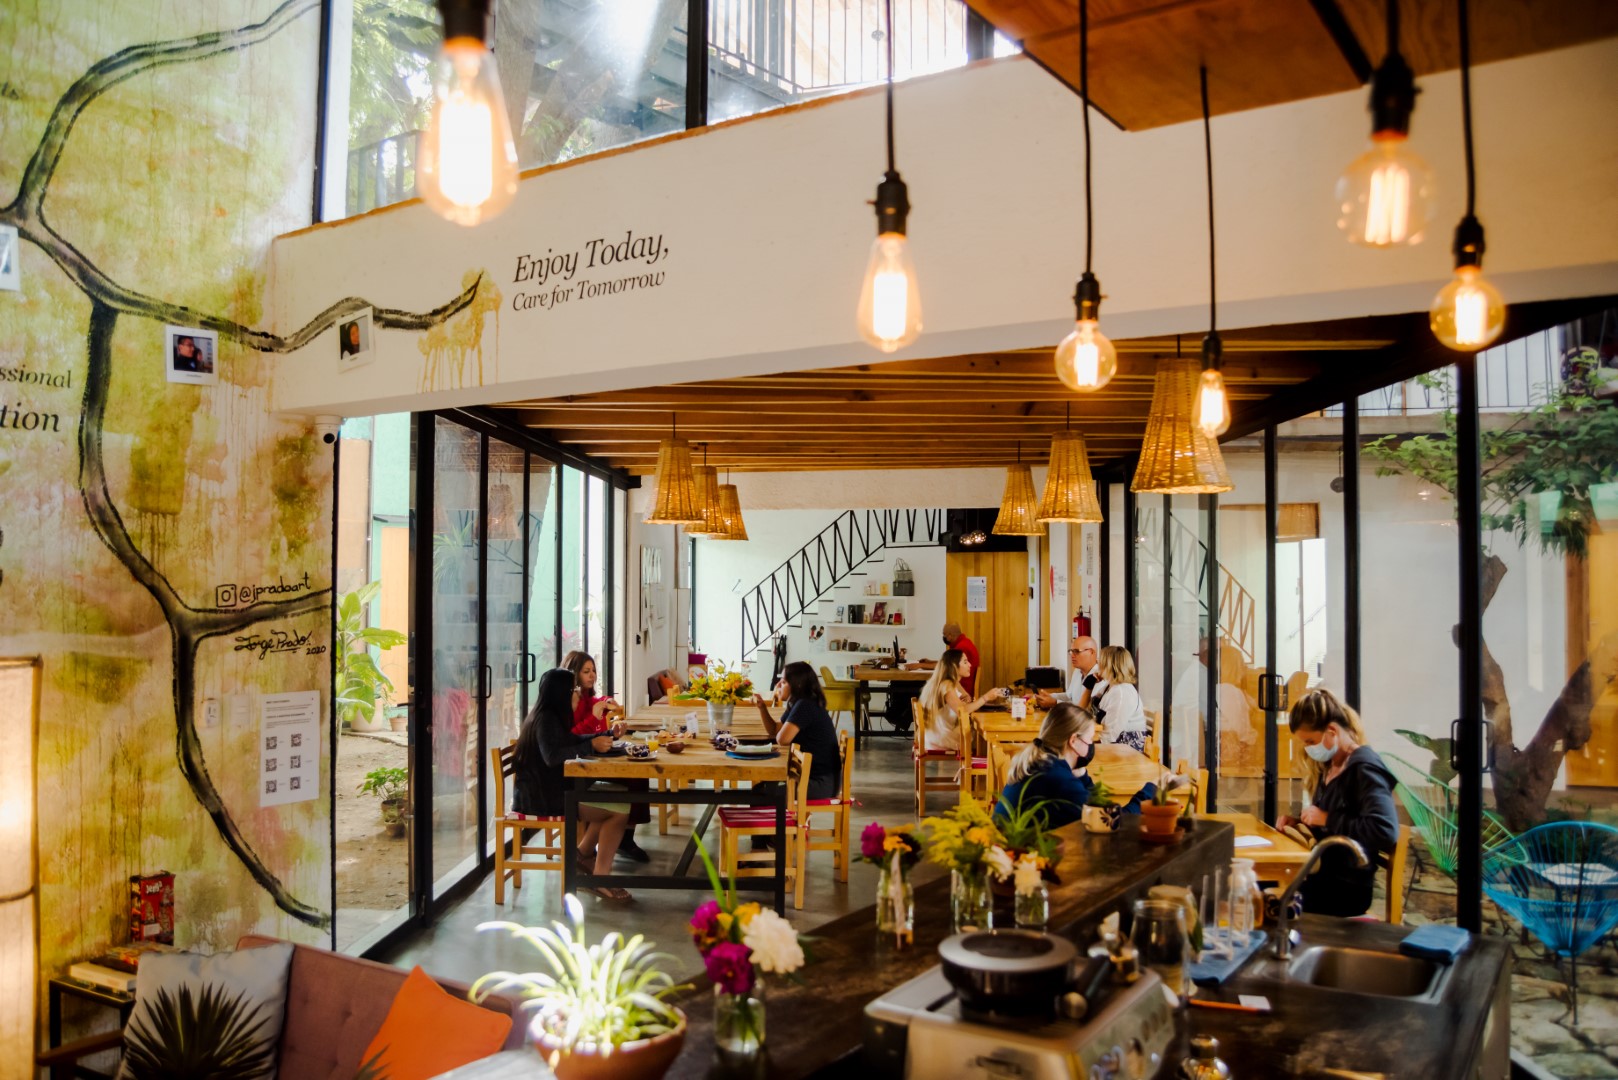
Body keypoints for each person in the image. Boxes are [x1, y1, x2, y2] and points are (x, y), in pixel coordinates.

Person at [511, 668, 632, 901]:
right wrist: (591, 746)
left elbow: (573, 740)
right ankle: (600, 878)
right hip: (543, 799)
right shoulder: (545, 720)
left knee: (619, 796)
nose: (578, 693)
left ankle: (582, 854)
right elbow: (552, 757)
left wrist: (609, 735)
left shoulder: (549, 716)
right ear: (562, 693)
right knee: (619, 810)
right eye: (573, 688)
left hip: (550, 791)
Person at [1277, 688, 1399, 918]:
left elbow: (1384, 830)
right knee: (1259, 884)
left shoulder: (1364, 769)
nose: (1308, 749)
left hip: (1346, 888)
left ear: (1331, 731)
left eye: (1310, 741)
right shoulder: (1330, 766)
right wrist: (1298, 823)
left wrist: (1327, 818)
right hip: (1324, 874)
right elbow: (1333, 821)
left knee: (1265, 894)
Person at [995, 704, 1184, 828]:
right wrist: (1152, 791)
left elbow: (1095, 806)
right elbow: (1113, 822)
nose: (1092, 745)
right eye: (1090, 739)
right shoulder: (1057, 778)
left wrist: (1081, 774)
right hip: (1028, 863)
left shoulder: (1041, 762)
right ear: (1073, 741)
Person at [562, 651, 650, 863]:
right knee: (635, 777)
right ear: (574, 673)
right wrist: (594, 717)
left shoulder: (585, 697)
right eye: (586, 671)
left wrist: (607, 706)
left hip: (595, 759)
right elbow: (572, 737)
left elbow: (597, 702)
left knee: (639, 775)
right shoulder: (571, 700)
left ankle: (625, 837)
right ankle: (621, 838)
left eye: (593, 670)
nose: (592, 675)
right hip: (581, 766)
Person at [750, 661, 842, 801]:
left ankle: (778, 816)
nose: (778, 685)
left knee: (761, 793)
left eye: (783, 682)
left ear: (797, 685)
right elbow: (775, 730)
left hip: (820, 784)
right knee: (762, 789)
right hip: (818, 780)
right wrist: (762, 707)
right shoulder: (800, 702)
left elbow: (782, 739)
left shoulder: (805, 705)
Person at [918, 649, 1007, 753]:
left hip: (936, 735)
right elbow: (963, 710)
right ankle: (991, 761)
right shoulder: (947, 685)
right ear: (954, 666)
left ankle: (991, 759)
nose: (969, 665)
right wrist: (986, 697)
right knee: (986, 733)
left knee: (980, 731)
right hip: (942, 738)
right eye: (965, 662)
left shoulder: (948, 681)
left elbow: (962, 700)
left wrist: (966, 698)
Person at [1086, 646, 1150, 754]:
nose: (1098, 664)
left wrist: (1088, 748)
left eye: (1101, 661)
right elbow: (1089, 709)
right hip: (1113, 742)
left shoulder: (1121, 693)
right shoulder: (1109, 687)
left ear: (1110, 666)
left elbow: (1111, 735)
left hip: (1127, 749)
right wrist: (1090, 683)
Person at [906, 622, 982, 696]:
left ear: (950, 635)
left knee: (924, 688)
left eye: (944, 634)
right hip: (962, 685)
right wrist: (930, 662)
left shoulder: (961, 648)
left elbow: (945, 665)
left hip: (963, 689)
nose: (944, 637)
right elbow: (948, 662)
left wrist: (920, 665)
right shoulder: (964, 642)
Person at [1035, 636, 1099, 708]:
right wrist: (1046, 697)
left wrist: (1055, 703)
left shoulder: (1099, 677)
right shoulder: (1077, 671)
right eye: (1071, 651)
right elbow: (1068, 696)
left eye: (1076, 651)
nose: (1072, 655)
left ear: (1091, 652)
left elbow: (1084, 708)